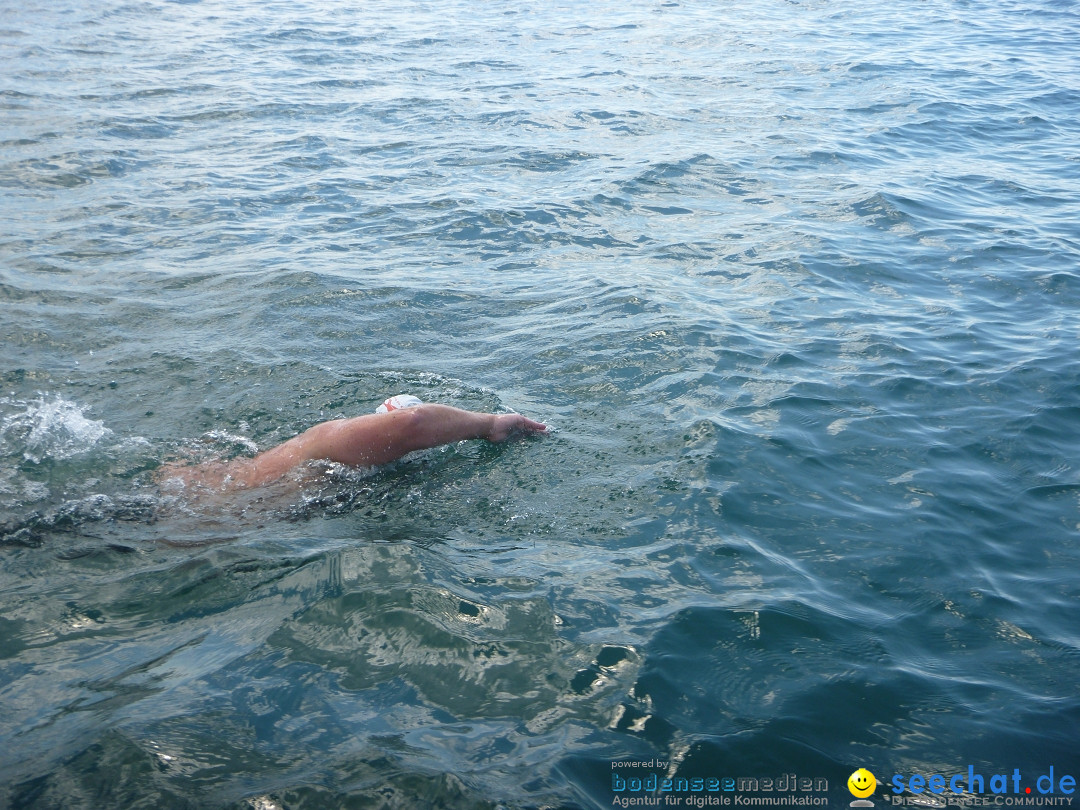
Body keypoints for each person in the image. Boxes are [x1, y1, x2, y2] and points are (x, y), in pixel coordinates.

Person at [158, 399, 547, 492]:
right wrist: (492, 424)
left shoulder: (328, 468)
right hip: (190, 521)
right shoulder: (329, 439)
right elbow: (413, 423)